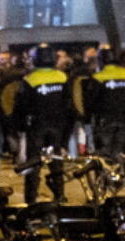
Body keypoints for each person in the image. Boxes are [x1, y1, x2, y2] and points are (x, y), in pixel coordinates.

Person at [13, 44, 74, 203]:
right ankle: (60, 195)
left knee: (33, 163)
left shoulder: (30, 79)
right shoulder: (62, 77)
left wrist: (20, 127)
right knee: (56, 163)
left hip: (37, 125)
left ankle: (31, 198)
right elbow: (69, 104)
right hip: (57, 125)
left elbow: (21, 106)